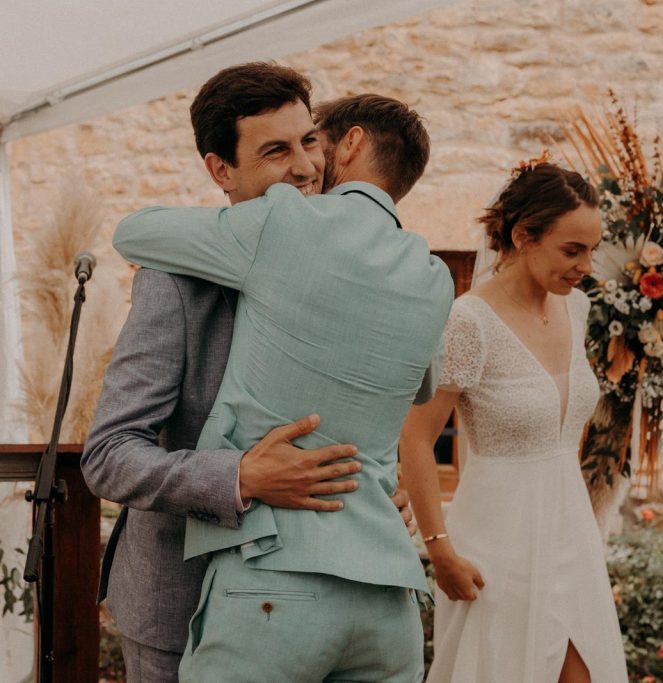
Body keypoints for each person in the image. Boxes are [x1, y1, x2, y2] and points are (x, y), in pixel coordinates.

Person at [82, 63, 415, 683]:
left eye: (309, 141)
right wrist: (240, 477)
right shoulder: (173, 279)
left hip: (335, 606)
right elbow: (108, 454)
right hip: (178, 608)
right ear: (221, 171)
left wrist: (375, 486)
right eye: (275, 150)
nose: (306, 167)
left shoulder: (352, 272)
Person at [399, 161, 628, 682]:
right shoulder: (469, 321)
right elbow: (414, 437)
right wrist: (440, 551)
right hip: (497, 539)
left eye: (592, 250)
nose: (586, 265)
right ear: (524, 236)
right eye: (573, 250)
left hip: (570, 529)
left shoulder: (576, 310)